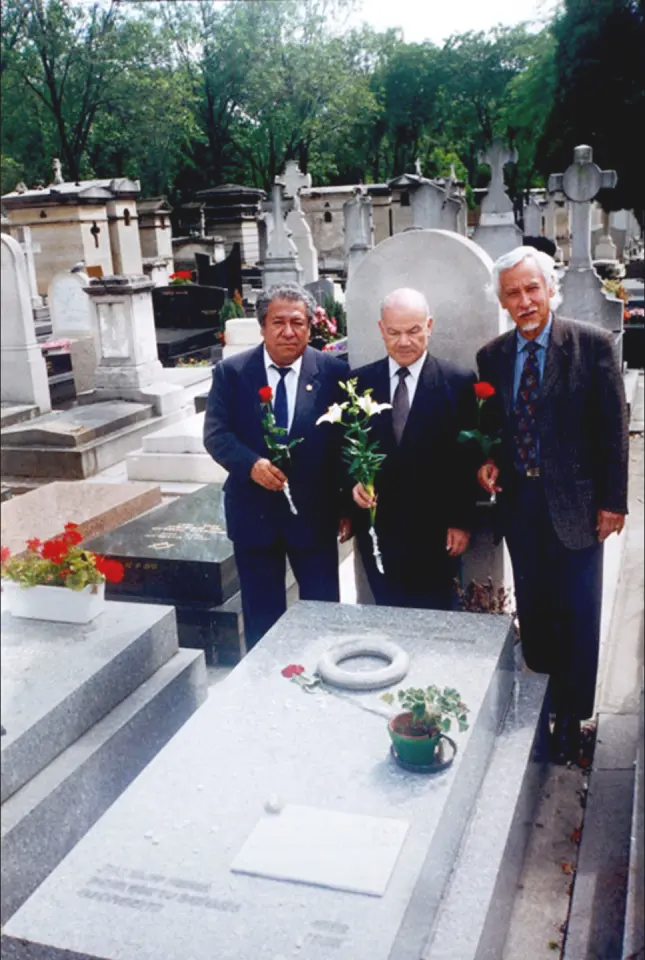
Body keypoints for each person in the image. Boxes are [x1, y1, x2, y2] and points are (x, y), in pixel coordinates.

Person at [477, 246, 628, 764]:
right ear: (502, 300)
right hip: (521, 504)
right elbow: (497, 428)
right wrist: (491, 462)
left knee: (578, 613)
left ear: (549, 289)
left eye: (531, 289)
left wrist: (614, 501)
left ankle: (573, 718)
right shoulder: (493, 356)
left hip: (578, 507)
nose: (524, 301)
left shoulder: (592, 345)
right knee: (536, 611)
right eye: (513, 294)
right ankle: (542, 706)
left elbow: (613, 430)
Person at [203, 283, 349, 650]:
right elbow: (216, 434)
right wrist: (250, 464)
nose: (288, 332)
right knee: (261, 619)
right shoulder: (232, 373)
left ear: (310, 325)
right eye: (278, 322)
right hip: (254, 516)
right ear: (262, 326)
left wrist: (346, 507)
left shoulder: (334, 373)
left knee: (323, 614)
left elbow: (345, 445)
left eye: (297, 322)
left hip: (314, 518)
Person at [351, 287, 478, 610]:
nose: (404, 342)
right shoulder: (360, 384)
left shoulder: (458, 382)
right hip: (381, 531)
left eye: (413, 331)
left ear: (429, 326)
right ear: (381, 329)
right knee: (388, 615)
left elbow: (467, 460)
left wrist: (461, 521)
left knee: (437, 620)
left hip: (436, 533)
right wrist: (352, 486)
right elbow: (345, 452)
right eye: (394, 332)